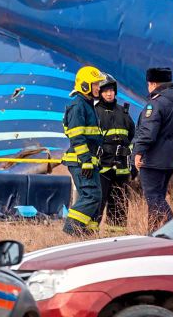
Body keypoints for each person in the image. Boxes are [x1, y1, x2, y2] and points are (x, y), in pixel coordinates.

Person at [132, 67, 173, 232]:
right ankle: (154, 234)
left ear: (153, 84)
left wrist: (138, 152)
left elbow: (147, 133)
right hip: (172, 159)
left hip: (153, 160)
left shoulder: (156, 104)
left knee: (154, 198)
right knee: (158, 198)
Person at [61, 66, 105, 236]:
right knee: (91, 196)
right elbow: (77, 137)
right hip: (81, 162)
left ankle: (87, 234)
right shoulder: (78, 106)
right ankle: (70, 231)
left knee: (96, 197)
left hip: (88, 161)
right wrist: (86, 160)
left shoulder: (88, 105)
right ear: (85, 85)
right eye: (95, 84)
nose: (98, 88)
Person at [94, 73, 135, 229]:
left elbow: (132, 136)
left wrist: (131, 163)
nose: (109, 93)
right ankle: (89, 238)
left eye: (111, 90)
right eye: (105, 91)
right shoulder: (95, 112)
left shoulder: (123, 113)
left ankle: (116, 238)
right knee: (98, 204)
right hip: (102, 168)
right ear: (100, 93)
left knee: (119, 206)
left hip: (121, 170)